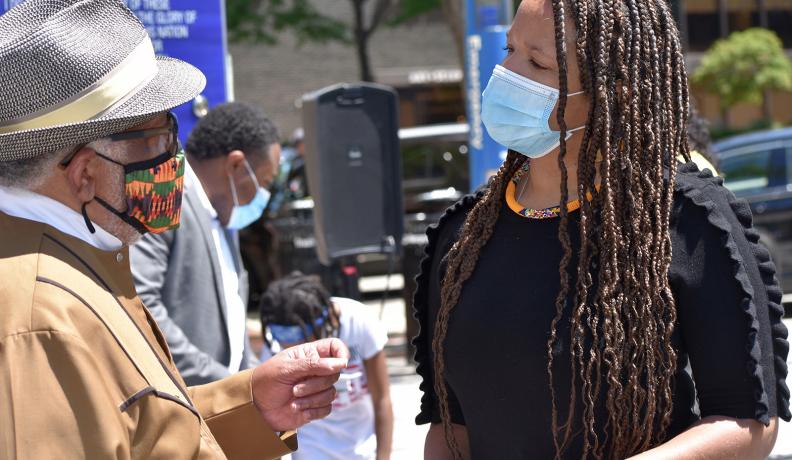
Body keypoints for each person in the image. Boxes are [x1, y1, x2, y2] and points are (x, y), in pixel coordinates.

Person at [413, 0, 790, 459]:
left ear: (615, 90)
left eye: (537, 61)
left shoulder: (689, 223)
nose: (506, 72)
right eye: (510, 49)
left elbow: (748, 420)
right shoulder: (462, 237)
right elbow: (451, 427)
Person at [0, 1, 348, 458]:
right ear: (84, 173)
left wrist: (252, 405)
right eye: (155, 137)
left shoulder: (77, 262)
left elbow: (138, 429)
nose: (172, 155)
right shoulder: (40, 319)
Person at [130, 102, 281, 385]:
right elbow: (140, 305)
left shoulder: (222, 216)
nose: (264, 194)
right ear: (237, 165)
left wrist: (250, 382)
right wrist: (222, 384)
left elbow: (232, 314)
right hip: (187, 397)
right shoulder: (162, 193)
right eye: (265, 181)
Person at [260, 273, 394, 460]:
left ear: (323, 322)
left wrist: (383, 457)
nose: (295, 349)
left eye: (302, 341)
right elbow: (278, 419)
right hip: (309, 452)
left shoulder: (359, 322)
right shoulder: (275, 345)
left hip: (361, 450)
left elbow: (382, 400)